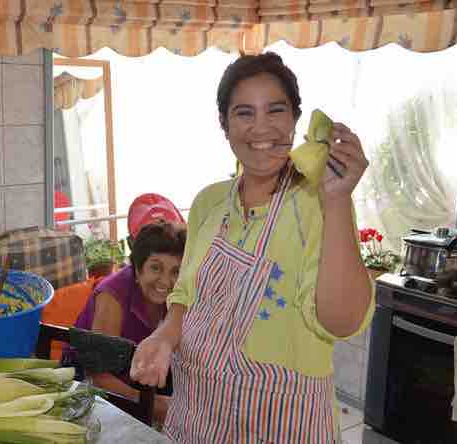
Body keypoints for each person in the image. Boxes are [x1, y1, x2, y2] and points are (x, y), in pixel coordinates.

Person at [130, 52, 374, 443]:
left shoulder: (320, 204)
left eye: (275, 111)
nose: (261, 128)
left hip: (285, 423)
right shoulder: (209, 202)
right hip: (199, 414)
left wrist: (339, 198)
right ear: (224, 125)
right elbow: (185, 296)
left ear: (295, 119)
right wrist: (164, 337)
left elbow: (341, 323)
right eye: (244, 113)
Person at [68, 194, 186, 424]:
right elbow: (98, 375)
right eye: (155, 268)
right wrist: (149, 406)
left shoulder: (181, 294)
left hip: (137, 377)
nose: (165, 280)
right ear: (137, 268)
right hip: (87, 380)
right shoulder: (112, 297)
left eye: (175, 271)